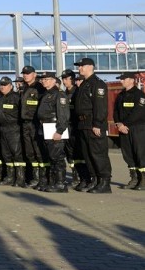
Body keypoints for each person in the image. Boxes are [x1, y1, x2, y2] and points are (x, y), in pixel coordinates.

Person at [73, 57, 112, 193]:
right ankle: (95, 179)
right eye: (79, 66)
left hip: (93, 124)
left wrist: (97, 124)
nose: (79, 68)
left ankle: (105, 182)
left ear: (90, 67)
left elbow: (100, 107)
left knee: (98, 154)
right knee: (88, 154)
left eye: (82, 66)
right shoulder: (84, 84)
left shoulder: (98, 84)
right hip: (83, 124)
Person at [36, 72, 70, 193]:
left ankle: (60, 183)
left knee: (57, 157)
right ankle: (53, 181)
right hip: (46, 127)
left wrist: (59, 131)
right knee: (51, 156)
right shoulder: (47, 94)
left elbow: (63, 114)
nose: (44, 81)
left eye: (47, 79)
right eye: (43, 79)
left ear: (53, 80)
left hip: (54, 128)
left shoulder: (58, 94)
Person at [112, 72, 145, 190]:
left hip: (137, 128)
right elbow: (115, 111)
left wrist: (124, 124)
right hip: (123, 129)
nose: (121, 81)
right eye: (121, 79)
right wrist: (118, 124)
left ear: (132, 80)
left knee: (140, 154)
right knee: (128, 154)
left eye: (123, 79)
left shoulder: (139, 95)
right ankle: (134, 178)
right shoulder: (121, 95)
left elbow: (138, 112)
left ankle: (143, 180)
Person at [0, 77, 25, 187]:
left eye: (5, 85)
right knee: (6, 154)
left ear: (10, 86)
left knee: (16, 153)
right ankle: (10, 177)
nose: (2, 87)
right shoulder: (0, 98)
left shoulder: (16, 97)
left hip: (14, 128)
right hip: (3, 128)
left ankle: (20, 178)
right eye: (1, 85)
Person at [20, 65, 46, 187]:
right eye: (24, 73)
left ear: (34, 74)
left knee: (39, 151)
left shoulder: (39, 88)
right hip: (26, 123)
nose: (25, 75)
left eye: (28, 73)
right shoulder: (24, 87)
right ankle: (35, 178)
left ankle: (43, 178)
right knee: (30, 152)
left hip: (35, 123)